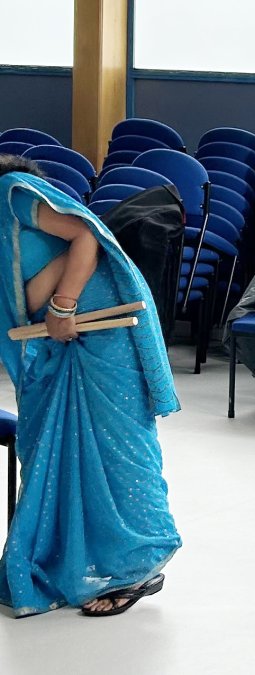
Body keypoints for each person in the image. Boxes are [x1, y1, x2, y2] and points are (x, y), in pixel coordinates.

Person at [0, 155, 181, 618]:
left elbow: (85, 238)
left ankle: (138, 567)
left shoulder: (13, 192)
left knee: (119, 446)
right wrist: (52, 308)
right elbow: (27, 291)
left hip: (104, 327)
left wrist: (61, 306)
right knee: (49, 445)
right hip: (61, 338)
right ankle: (64, 563)